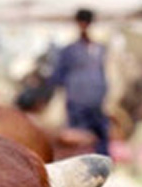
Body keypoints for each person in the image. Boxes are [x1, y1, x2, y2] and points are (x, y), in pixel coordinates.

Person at [47, 8, 111, 155]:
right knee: (79, 140)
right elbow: (58, 76)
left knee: (99, 139)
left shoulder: (100, 49)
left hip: (97, 101)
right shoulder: (70, 50)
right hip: (79, 101)